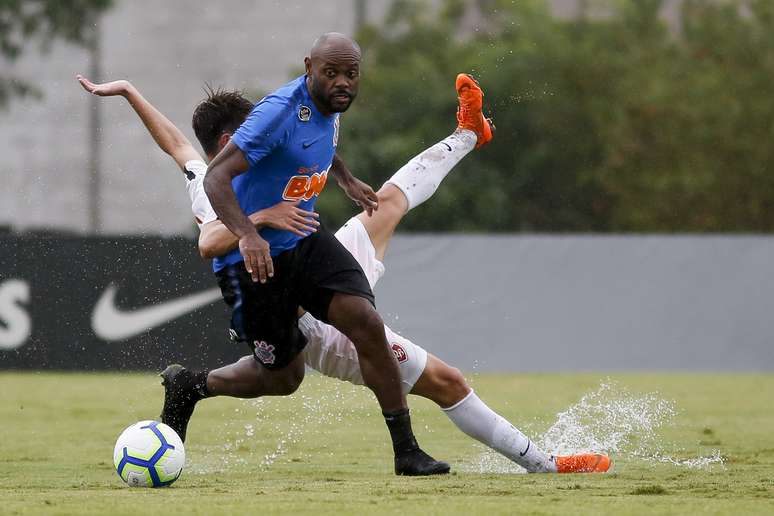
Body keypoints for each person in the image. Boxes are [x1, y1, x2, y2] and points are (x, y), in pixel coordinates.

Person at [76, 66, 610, 474]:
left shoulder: (240, 154)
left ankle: (468, 133)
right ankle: (546, 466)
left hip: (317, 262)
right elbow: (211, 238)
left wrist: (127, 92)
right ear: (227, 144)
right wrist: (258, 219)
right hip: (307, 319)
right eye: (254, 130)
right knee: (415, 381)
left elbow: (175, 142)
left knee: (386, 204)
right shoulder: (221, 184)